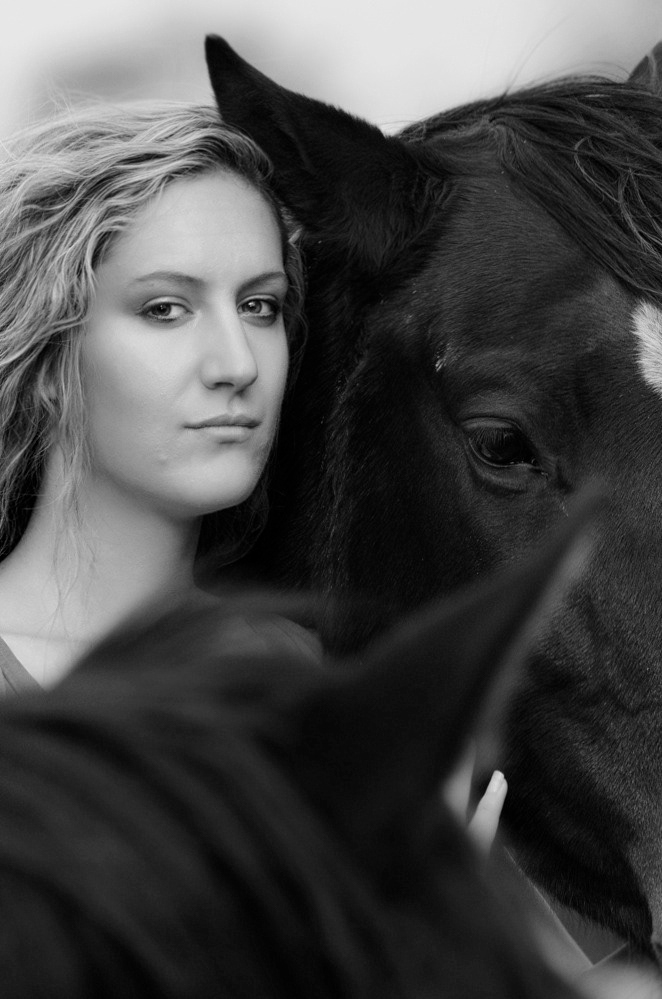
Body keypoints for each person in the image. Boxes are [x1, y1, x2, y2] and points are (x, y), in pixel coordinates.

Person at [0, 99, 306, 692]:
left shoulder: (312, 687)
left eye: (258, 306)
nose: (238, 364)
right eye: (165, 309)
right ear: (46, 358)